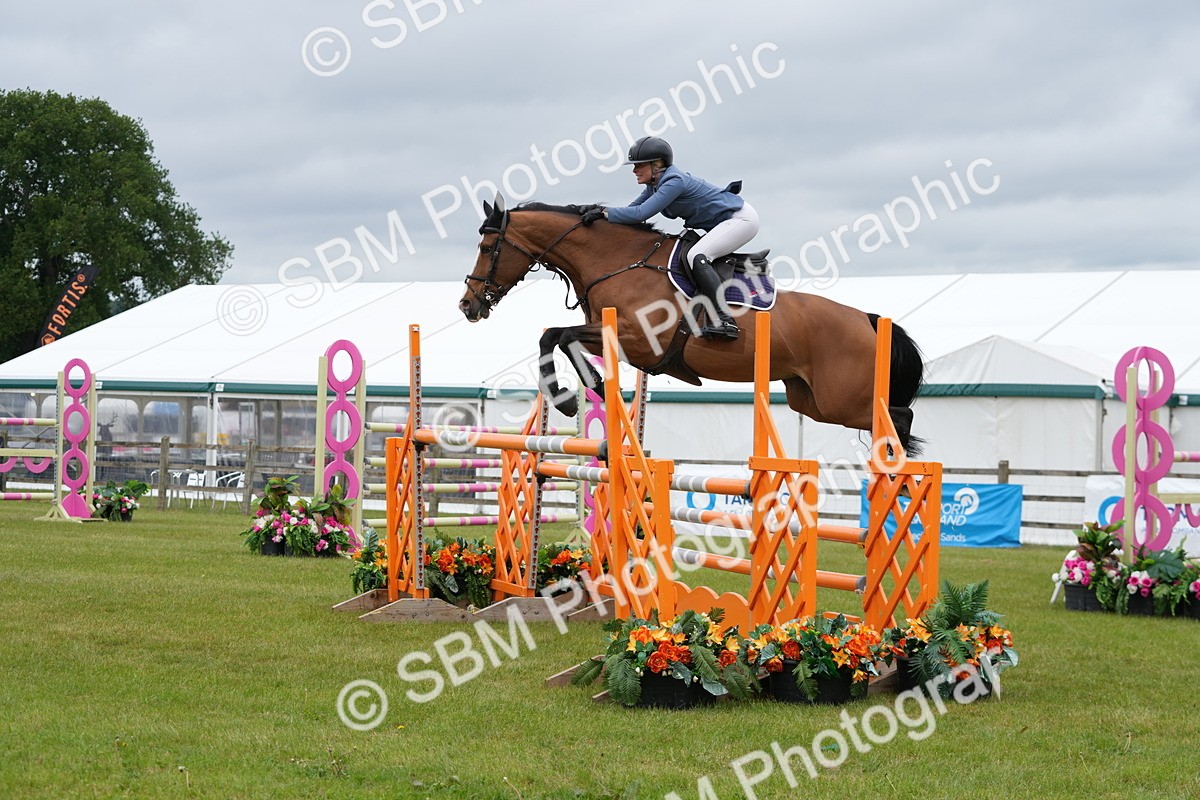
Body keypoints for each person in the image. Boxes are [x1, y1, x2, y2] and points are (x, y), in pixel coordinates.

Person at [581, 136, 759, 340]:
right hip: (724, 222)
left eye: (639, 165)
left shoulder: (674, 182)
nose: (634, 170)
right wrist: (599, 214)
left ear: (657, 165)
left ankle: (726, 321)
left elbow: (640, 214)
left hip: (742, 219)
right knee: (694, 254)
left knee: (697, 255)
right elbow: (631, 212)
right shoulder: (654, 185)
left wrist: (604, 212)